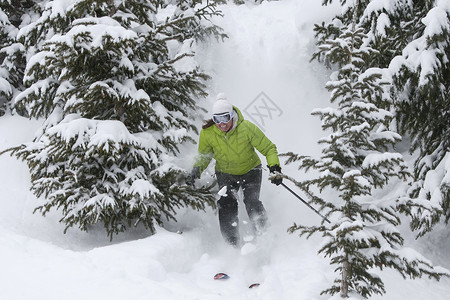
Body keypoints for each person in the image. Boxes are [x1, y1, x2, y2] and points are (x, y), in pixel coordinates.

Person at [187, 93, 282, 247]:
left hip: (251, 170)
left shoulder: (246, 128)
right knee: (226, 203)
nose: (221, 124)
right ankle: (232, 244)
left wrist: (274, 166)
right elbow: (204, 156)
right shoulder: (208, 133)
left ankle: (264, 235)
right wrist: (196, 170)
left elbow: (269, 148)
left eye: (225, 118)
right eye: (217, 119)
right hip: (225, 173)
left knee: (251, 201)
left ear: (232, 116)